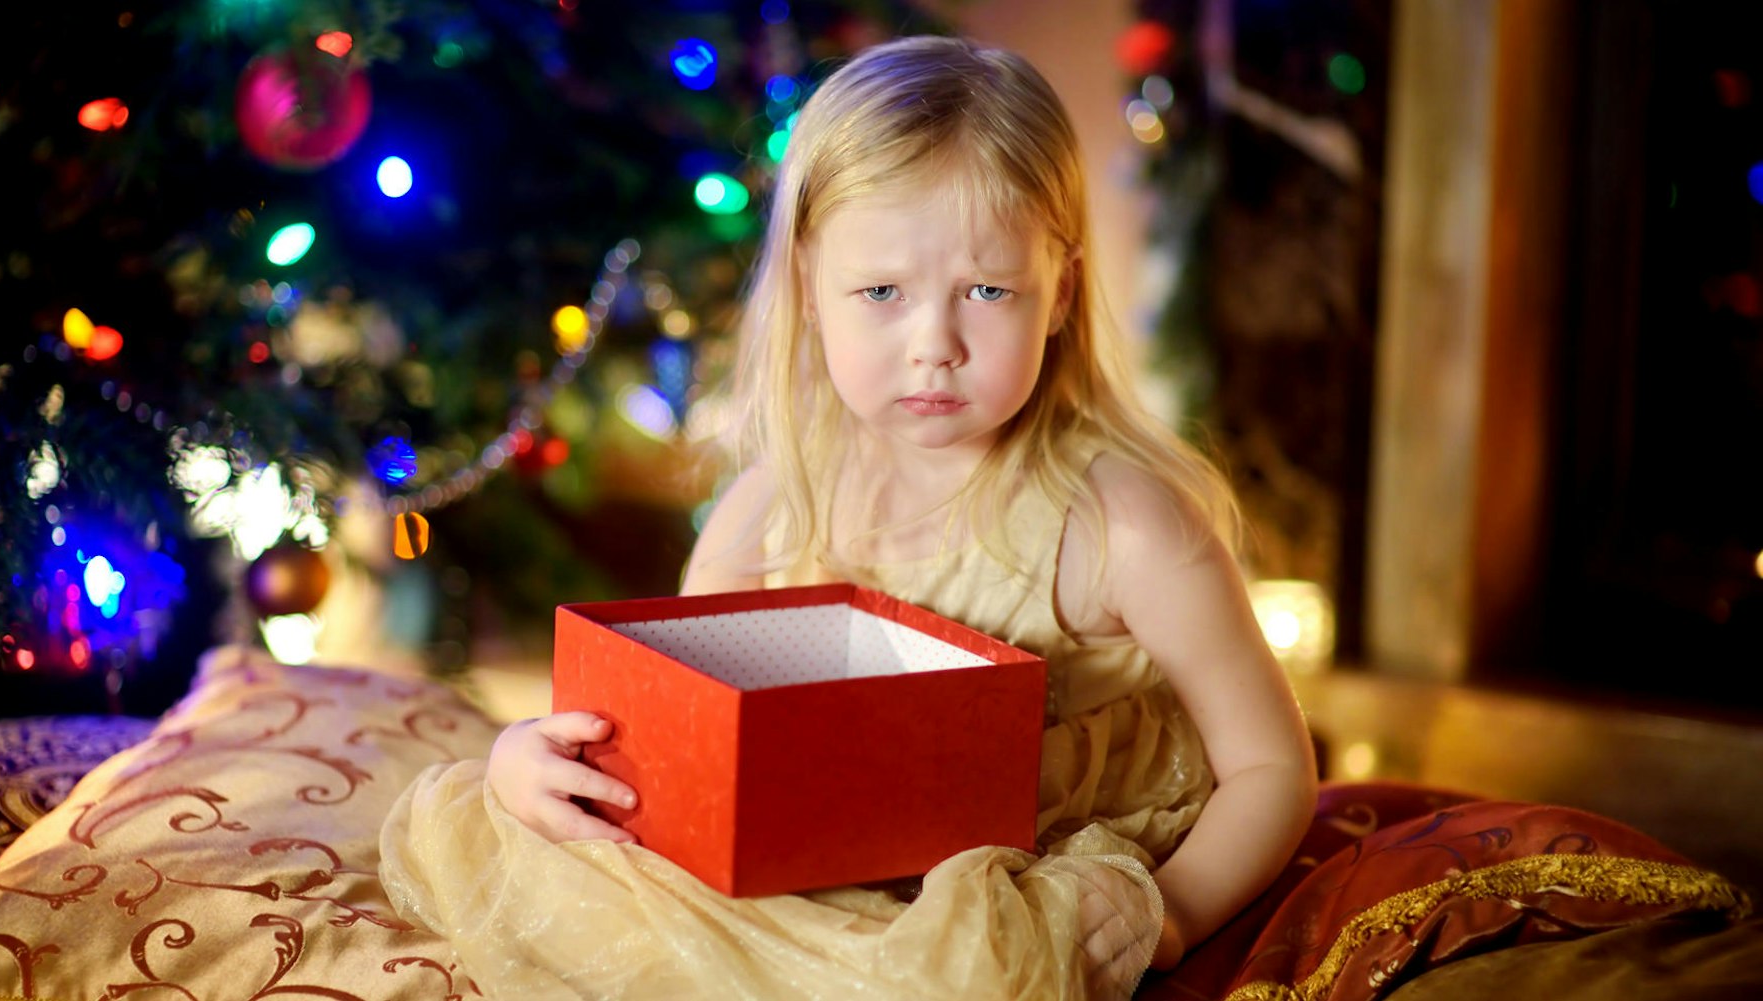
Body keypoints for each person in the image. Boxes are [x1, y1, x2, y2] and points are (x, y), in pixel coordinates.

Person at [380, 34, 1317, 1000]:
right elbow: (674, 745)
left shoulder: (1124, 526)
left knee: (967, 973)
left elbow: (1271, 765)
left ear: (1060, 293)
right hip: (816, 865)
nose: (935, 344)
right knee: (513, 829)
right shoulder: (770, 510)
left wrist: (1174, 909)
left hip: (1015, 879)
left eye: (987, 290)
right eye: (880, 292)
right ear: (810, 292)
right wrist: (535, 761)